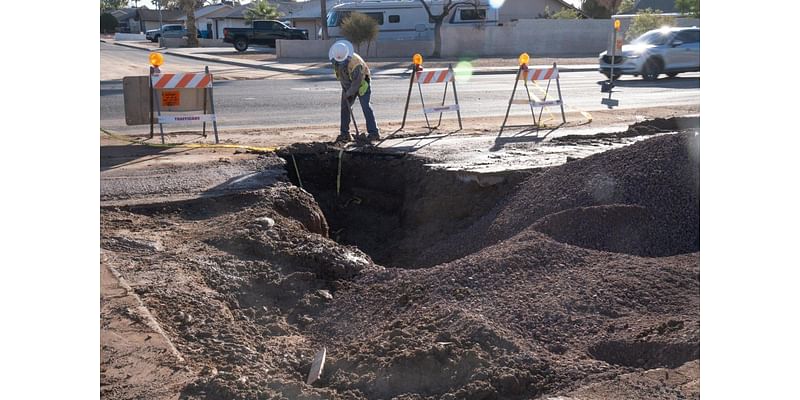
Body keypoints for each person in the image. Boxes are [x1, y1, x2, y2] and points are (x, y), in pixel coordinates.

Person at [329, 40, 380, 143]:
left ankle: (373, 133)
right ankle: (345, 134)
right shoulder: (336, 60)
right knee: (345, 108)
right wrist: (345, 92)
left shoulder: (356, 63)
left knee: (365, 106)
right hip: (348, 85)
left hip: (362, 83)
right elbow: (341, 76)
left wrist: (348, 93)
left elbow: (357, 83)